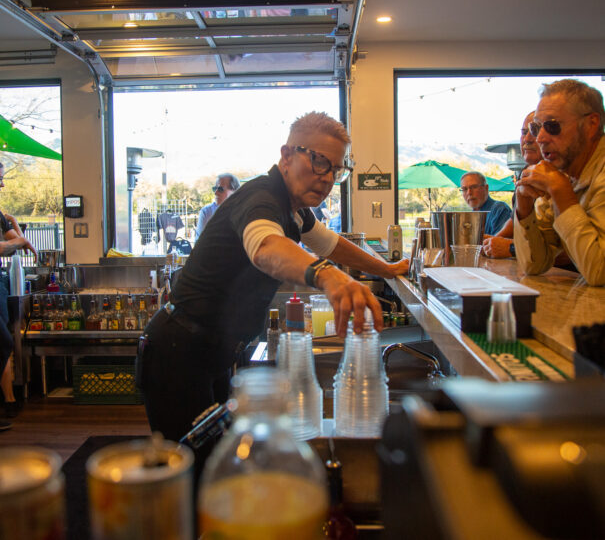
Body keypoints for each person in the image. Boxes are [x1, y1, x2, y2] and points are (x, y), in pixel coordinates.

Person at [138, 112, 409, 444]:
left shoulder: (293, 207)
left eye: (337, 171)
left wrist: (388, 269)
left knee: (215, 460)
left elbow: (332, 244)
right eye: (320, 162)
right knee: (190, 469)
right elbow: (265, 246)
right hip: (177, 352)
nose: (327, 178)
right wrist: (328, 276)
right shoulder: (261, 198)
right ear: (286, 155)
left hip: (212, 352)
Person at [515, 79, 605, 285]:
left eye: (552, 126)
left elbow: (600, 272)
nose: (539, 138)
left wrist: (562, 193)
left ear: (591, 125)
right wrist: (524, 205)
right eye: (536, 127)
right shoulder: (561, 173)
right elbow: (533, 265)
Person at [0, 162, 37, 431]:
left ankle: (8, 400)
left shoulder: (1, 216)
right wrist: (17, 242)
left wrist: (13, 223)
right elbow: (8, 246)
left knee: (3, 343)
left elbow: (15, 245)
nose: (2, 184)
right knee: (2, 341)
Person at [482, 111, 538, 258]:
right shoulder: (526, 174)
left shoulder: (566, 177)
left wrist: (512, 248)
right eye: (524, 132)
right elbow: (516, 221)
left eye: (535, 131)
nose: (527, 139)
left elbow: (562, 248)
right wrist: (491, 243)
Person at [460, 171, 512, 236]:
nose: (469, 193)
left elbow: (497, 243)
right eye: (464, 189)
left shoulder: (499, 209)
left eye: (474, 187)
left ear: (486, 188)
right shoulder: (471, 215)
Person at [195, 173, 240, 240]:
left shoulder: (243, 212)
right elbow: (199, 243)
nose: (215, 193)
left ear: (234, 191)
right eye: (215, 188)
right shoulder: (206, 212)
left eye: (220, 189)